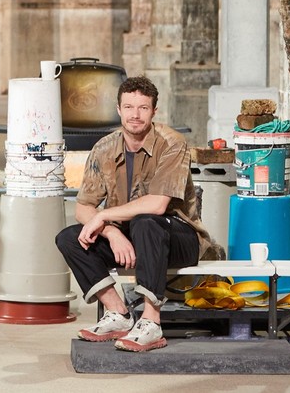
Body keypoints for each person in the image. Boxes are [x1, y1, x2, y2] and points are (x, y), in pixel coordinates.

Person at [55, 76, 218, 352]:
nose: (135, 115)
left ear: (154, 111)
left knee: (146, 222)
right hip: (130, 237)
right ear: (119, 109)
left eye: (143, 108)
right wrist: (111, 232)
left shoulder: (172, 143)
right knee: (70, 238)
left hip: (178, 237)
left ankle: (152, 322)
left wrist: (103, 216)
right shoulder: (104, 148)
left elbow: (157, 205)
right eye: (129, 107)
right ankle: (118, 313)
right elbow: (83, 207)